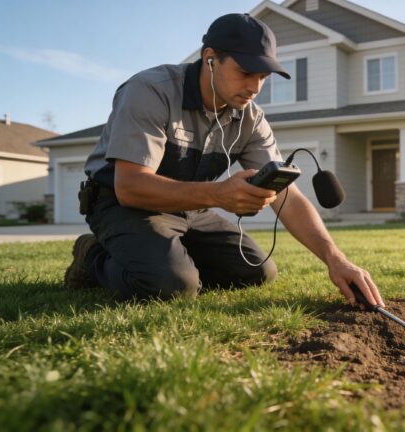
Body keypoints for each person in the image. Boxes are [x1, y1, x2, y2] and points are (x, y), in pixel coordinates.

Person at [64, 13, 385, 308]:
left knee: (257, 273)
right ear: (210, 59)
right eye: (246, 72)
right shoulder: (150, 91)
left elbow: (288, 196)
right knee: (172, 286)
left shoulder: (250, 119)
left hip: (191, 209)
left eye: (263, 76)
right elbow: (129, 187)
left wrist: (335, 258)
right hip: (121, 204)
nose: (255, 87)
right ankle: (92, 256)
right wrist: (219, 195)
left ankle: (167, 256)